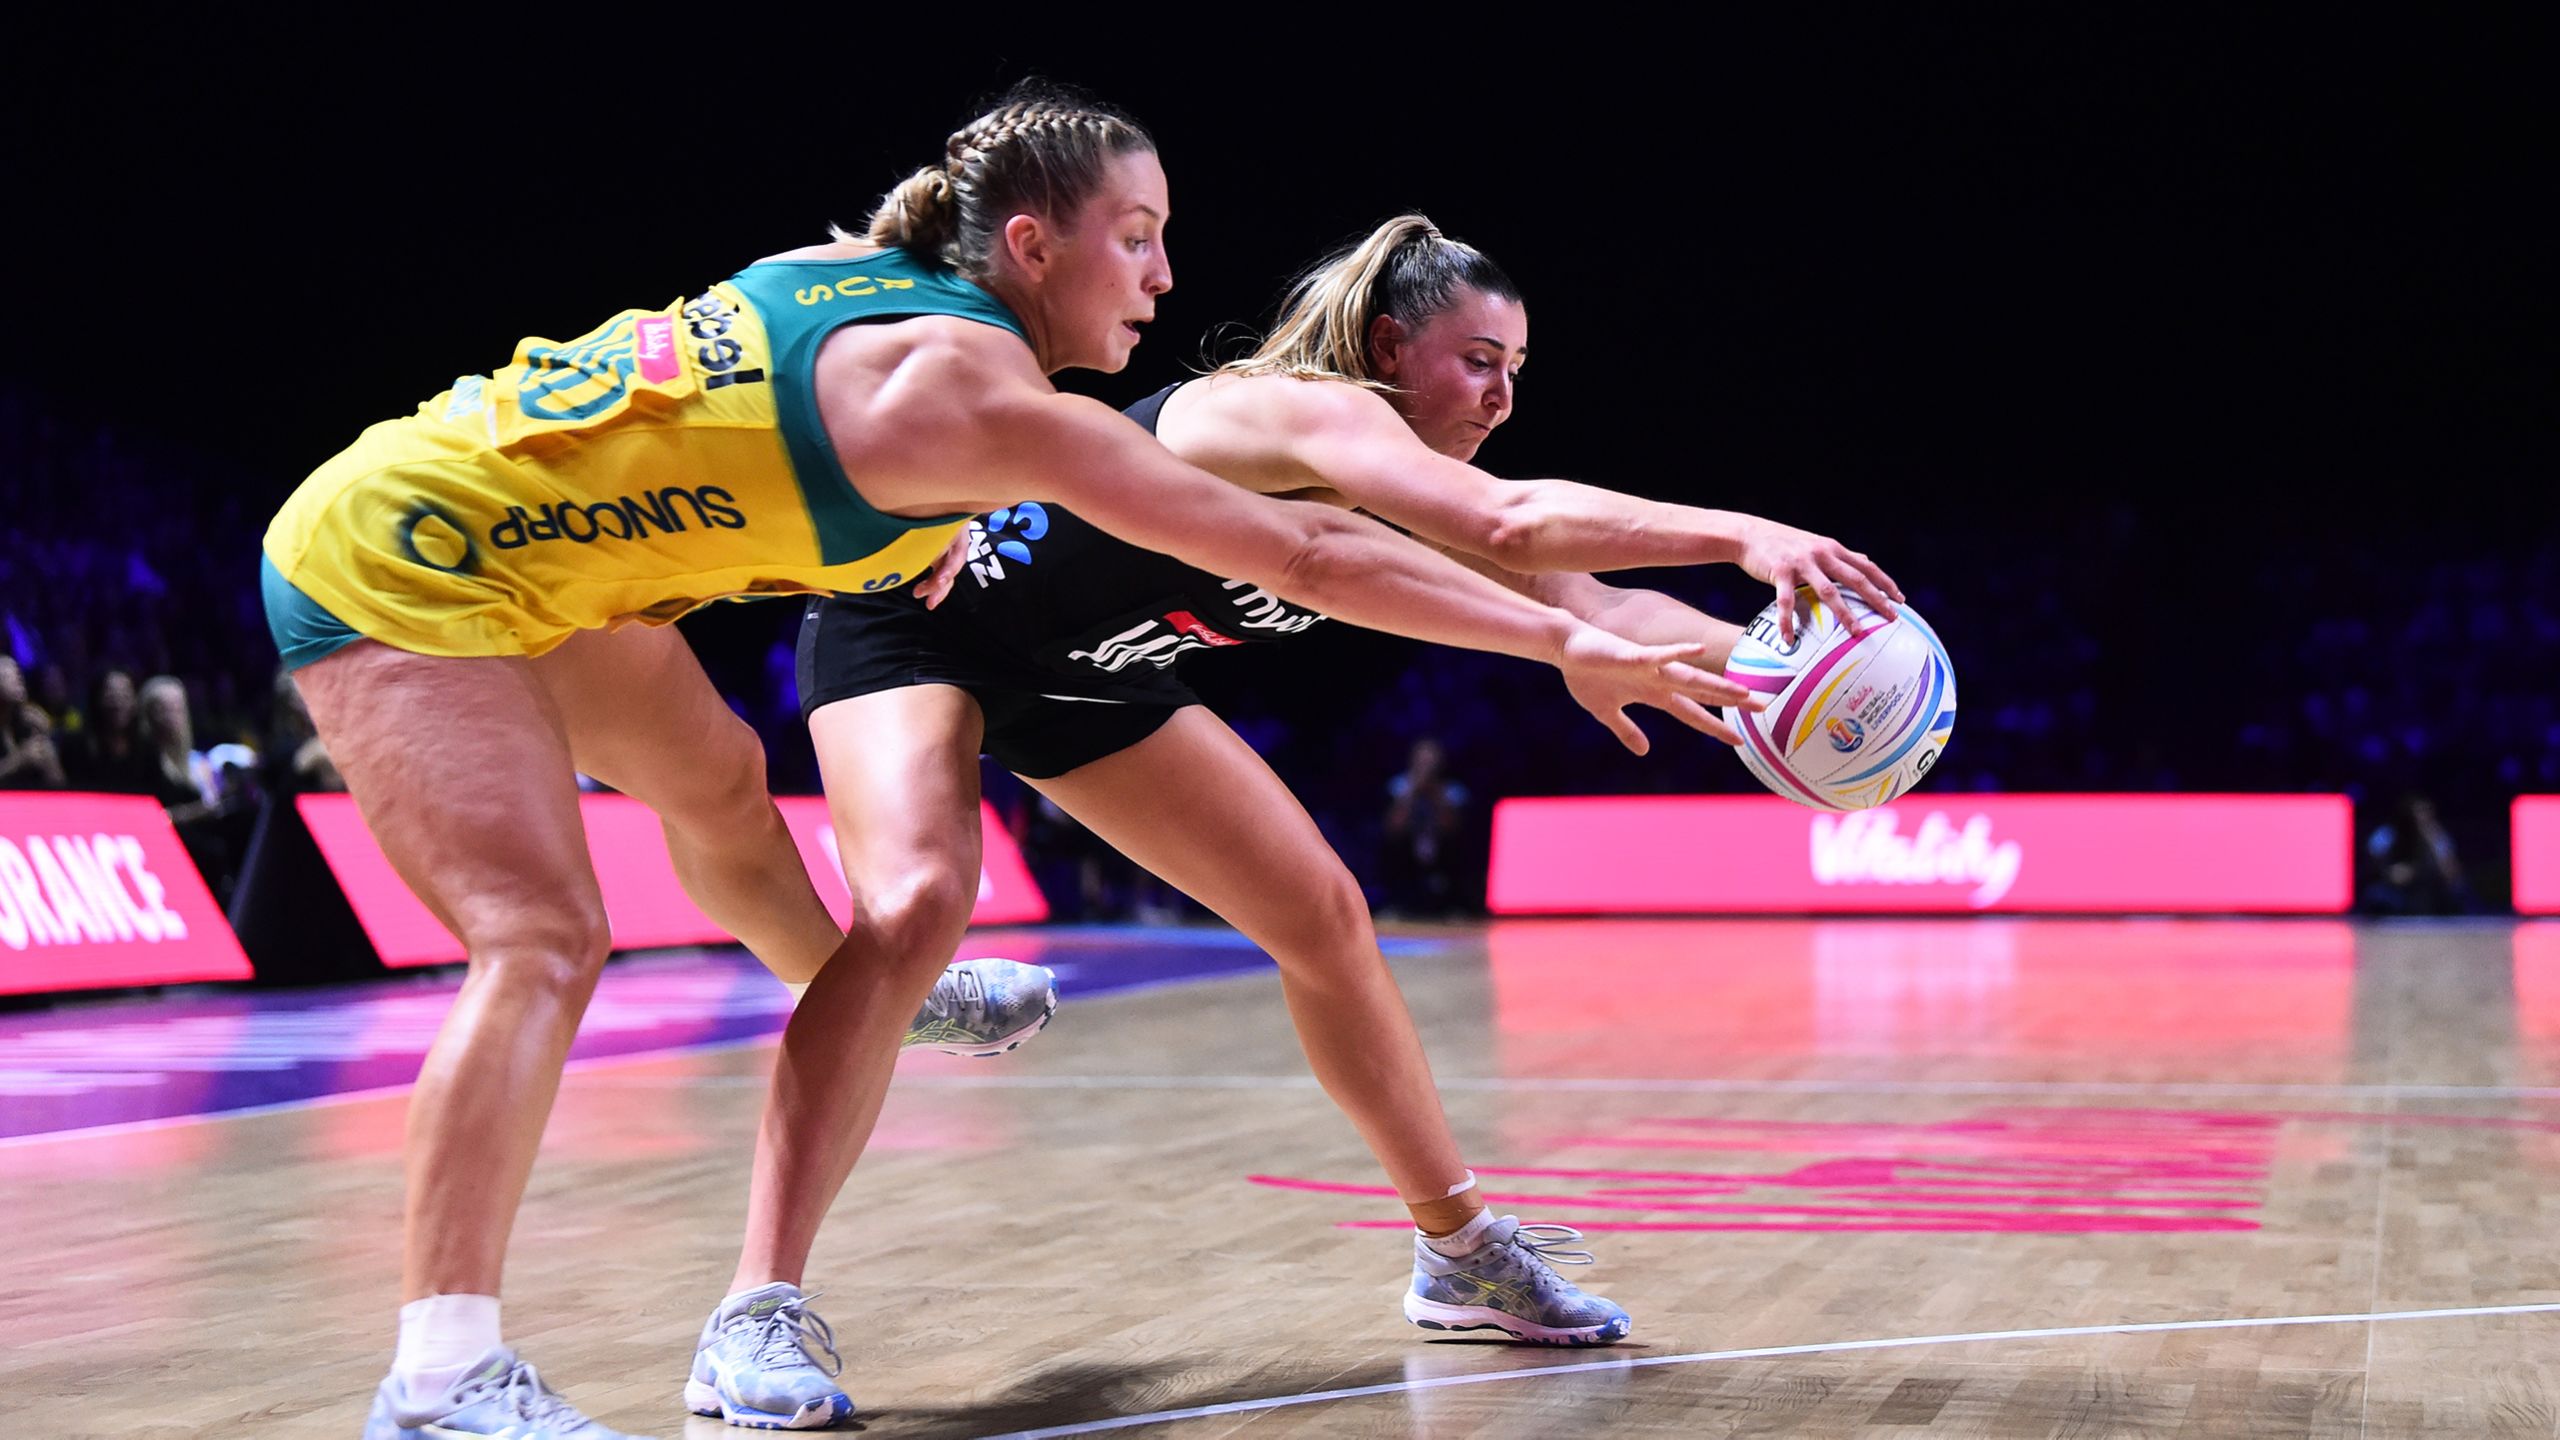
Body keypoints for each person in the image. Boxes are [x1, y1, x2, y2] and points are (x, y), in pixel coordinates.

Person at [262, 87, 1738, 1440]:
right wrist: (1736, 542)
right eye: (1137, 238)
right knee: (552, 936)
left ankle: (1440, 1238)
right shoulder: (1007, 408)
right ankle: (452, 1373)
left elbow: (743, 401)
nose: (1165, 276)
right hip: (413, 555)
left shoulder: (880, 304)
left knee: (717, 773)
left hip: (748, 604)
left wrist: (1742, 653)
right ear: (1031, 244)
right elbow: (1309, 546)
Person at [711, 213, 1902, 1427]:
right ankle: (754, 1309)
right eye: (1477, 360)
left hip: (1092, 671)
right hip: (920, 625)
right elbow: (1515, 527)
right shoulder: (1288, 409)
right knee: (915, 904)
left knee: (1323, 915)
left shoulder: (1416, 486)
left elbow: (1593, 604)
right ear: (1390, 346)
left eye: (1516, 372)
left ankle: (1459, 1251)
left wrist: (1804, 679)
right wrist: (1744, 533)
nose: (1498, 396)